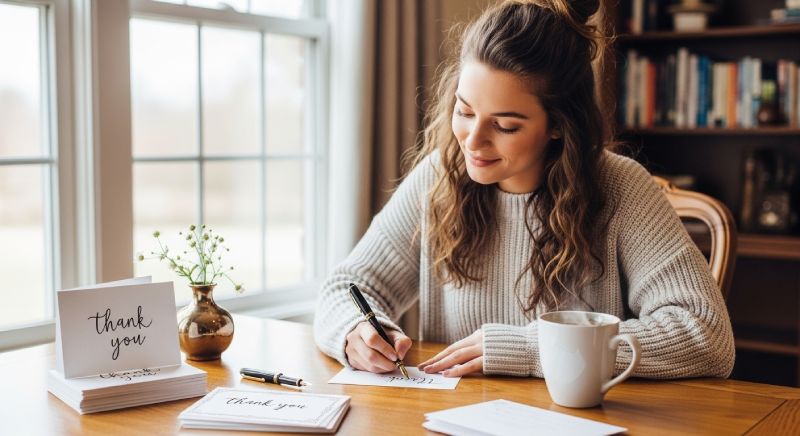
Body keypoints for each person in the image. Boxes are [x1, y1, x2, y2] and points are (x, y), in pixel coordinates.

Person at [314, 0, 735, 379]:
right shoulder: (439, 175)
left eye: (505, 125)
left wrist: (535, 348)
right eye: (464, 111)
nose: (472, 141)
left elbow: (705, 333)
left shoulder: (621, 187)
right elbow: (347, 287)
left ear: (558, 125)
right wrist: (356, 331)